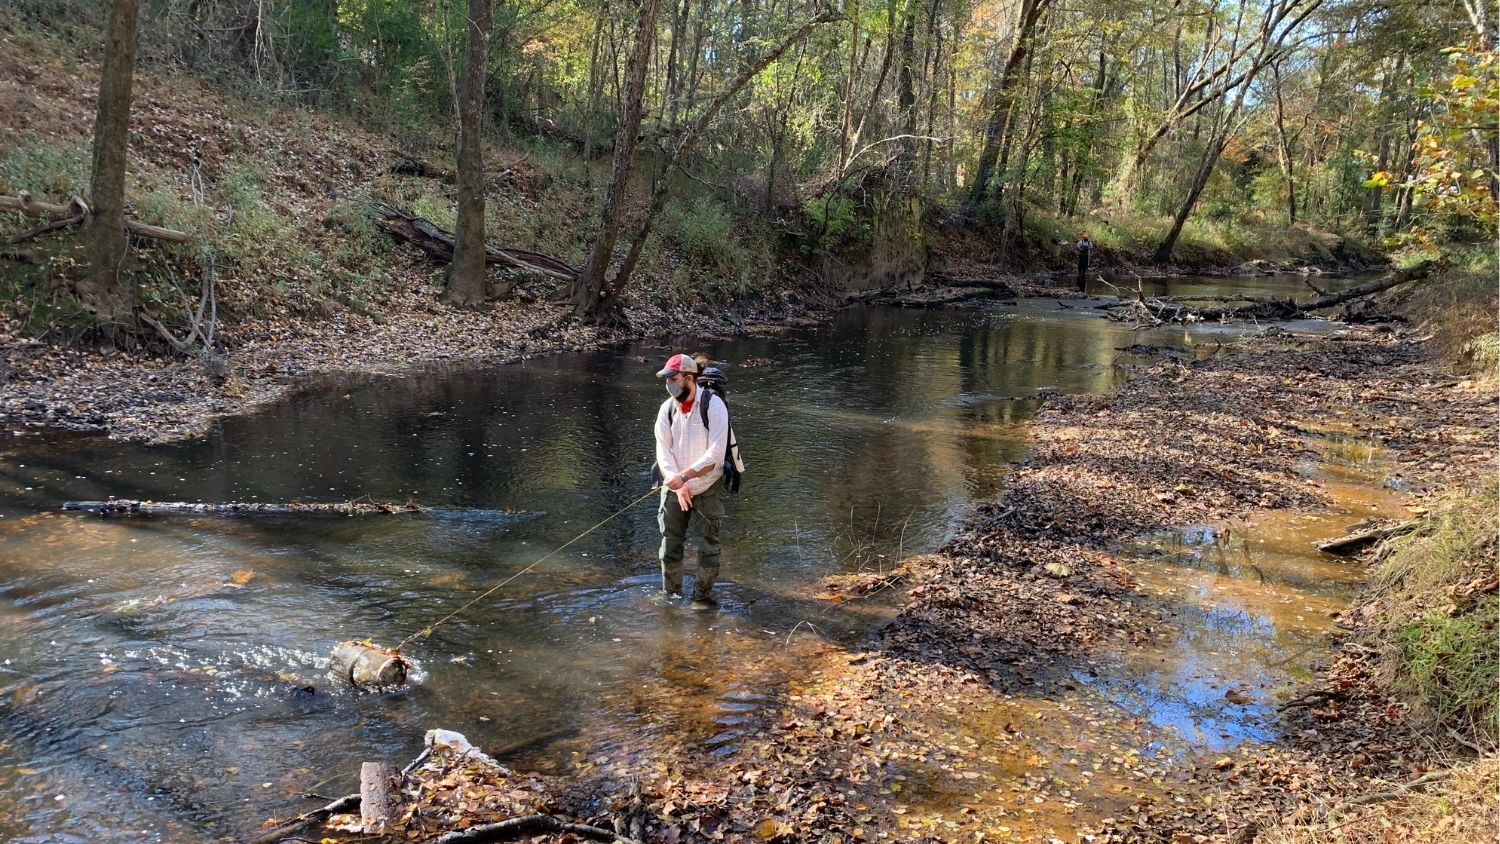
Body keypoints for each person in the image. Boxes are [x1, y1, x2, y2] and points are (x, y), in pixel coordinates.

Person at [653, 353, 730, 610]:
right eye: (666, 380)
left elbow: (716, 456)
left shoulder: (714, 405)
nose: (669, 384)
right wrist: (677, 483)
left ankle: (702, 597)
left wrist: (685, 476)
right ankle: (671, 596)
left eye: (673, 379)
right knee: (670, 542)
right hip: (675, 487)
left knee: (708, 545)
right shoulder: (666, 409)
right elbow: (662, 451)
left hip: (708, 485)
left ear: (689, 378)